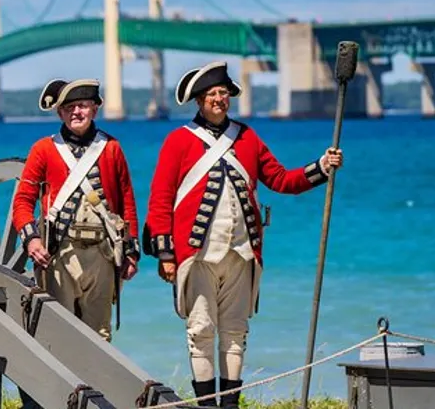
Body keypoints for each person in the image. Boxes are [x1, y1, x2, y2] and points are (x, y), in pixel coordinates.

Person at [143, 61, 343, 408]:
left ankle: (231, 404)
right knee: (200, 331)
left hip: (241, 253)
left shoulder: (247, 137)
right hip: (196, 255)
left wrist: (321, 167)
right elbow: (160, 199)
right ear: (199, 101)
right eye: (211, 95)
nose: (219, 100)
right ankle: (207, 404)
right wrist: (165, 254)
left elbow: (281, 179)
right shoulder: (178, 141)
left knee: (235, 332)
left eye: (223, 93)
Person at [11, 78, 140, 343]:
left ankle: (97, 385)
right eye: (69, 107)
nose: (76, 112)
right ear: (59, 112)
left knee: (99, 337)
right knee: (59, 333)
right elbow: (23, 201)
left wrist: (131, 252)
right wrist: (31, 239)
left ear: (94, 109)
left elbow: (127, 202)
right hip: (61, 254)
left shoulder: (112, 148)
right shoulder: (43, 149)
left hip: (102, 256)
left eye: (82, 105)